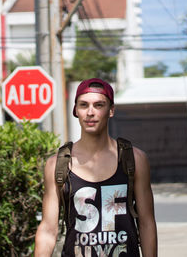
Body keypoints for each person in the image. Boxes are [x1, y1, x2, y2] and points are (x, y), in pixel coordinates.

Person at [34, 78, 157, 256]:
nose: (90, 112)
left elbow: (147, 223)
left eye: (99, 105)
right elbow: (48, 230)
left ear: (111, 110)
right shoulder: (57, 164)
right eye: (84, 105)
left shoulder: (135, 160)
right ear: (76, 110)